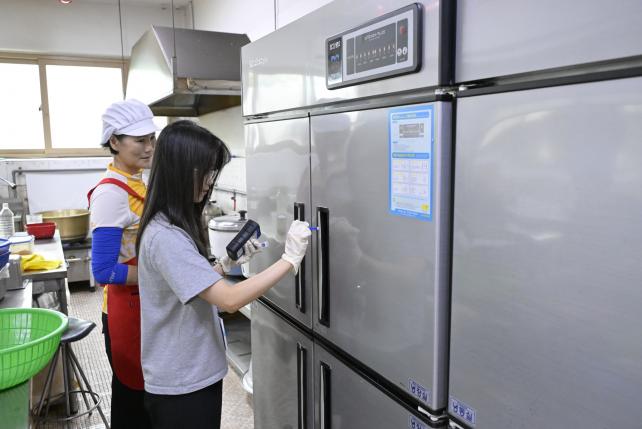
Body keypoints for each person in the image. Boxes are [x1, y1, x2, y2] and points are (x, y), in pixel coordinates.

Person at [135, 120, 310, 429]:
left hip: (187, 374)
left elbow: (189, 286)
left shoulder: (169, 224)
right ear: (179, 171)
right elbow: (229, 300)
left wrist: (225, 264)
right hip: (183, 384)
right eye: (204, 172)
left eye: (212, 172)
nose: (209, 182)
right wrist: (289, 260)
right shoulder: (166, 236)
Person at [88, 99, 157, 428]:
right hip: (125, 313)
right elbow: (103, 271)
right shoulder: (111, 194)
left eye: (151, 138)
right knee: (132, 405)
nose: (149, 147)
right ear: (114, 141)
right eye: (139, 140)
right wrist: (157, 276)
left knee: (149, 401)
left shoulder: (138, 181)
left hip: (145, 305)